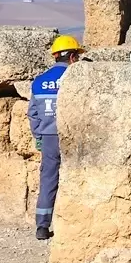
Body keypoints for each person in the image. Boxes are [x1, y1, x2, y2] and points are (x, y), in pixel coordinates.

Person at [27, 34, 84, 240]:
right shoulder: (75, 79)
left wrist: (39, 137)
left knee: (49, 179)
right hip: (72, 136)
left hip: (49, 137)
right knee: (78, 178)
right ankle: (75, 224)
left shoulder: (39, 82)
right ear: (72, 57)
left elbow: (33, 113)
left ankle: (42, 226)